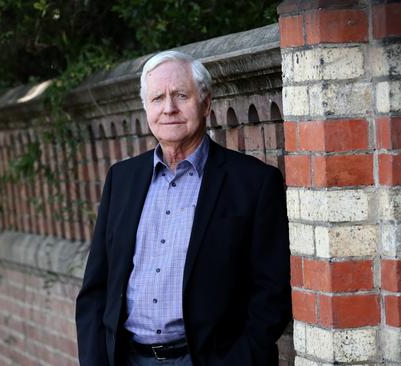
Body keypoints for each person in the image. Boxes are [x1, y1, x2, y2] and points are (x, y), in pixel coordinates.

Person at [75, 50, 291, 366]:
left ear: (205, 103)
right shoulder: (122, 178)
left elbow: (272, 290)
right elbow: (97, 285)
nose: (169, 109)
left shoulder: (254, 182)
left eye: (180, 95)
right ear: (146, 108)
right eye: (158, 98)